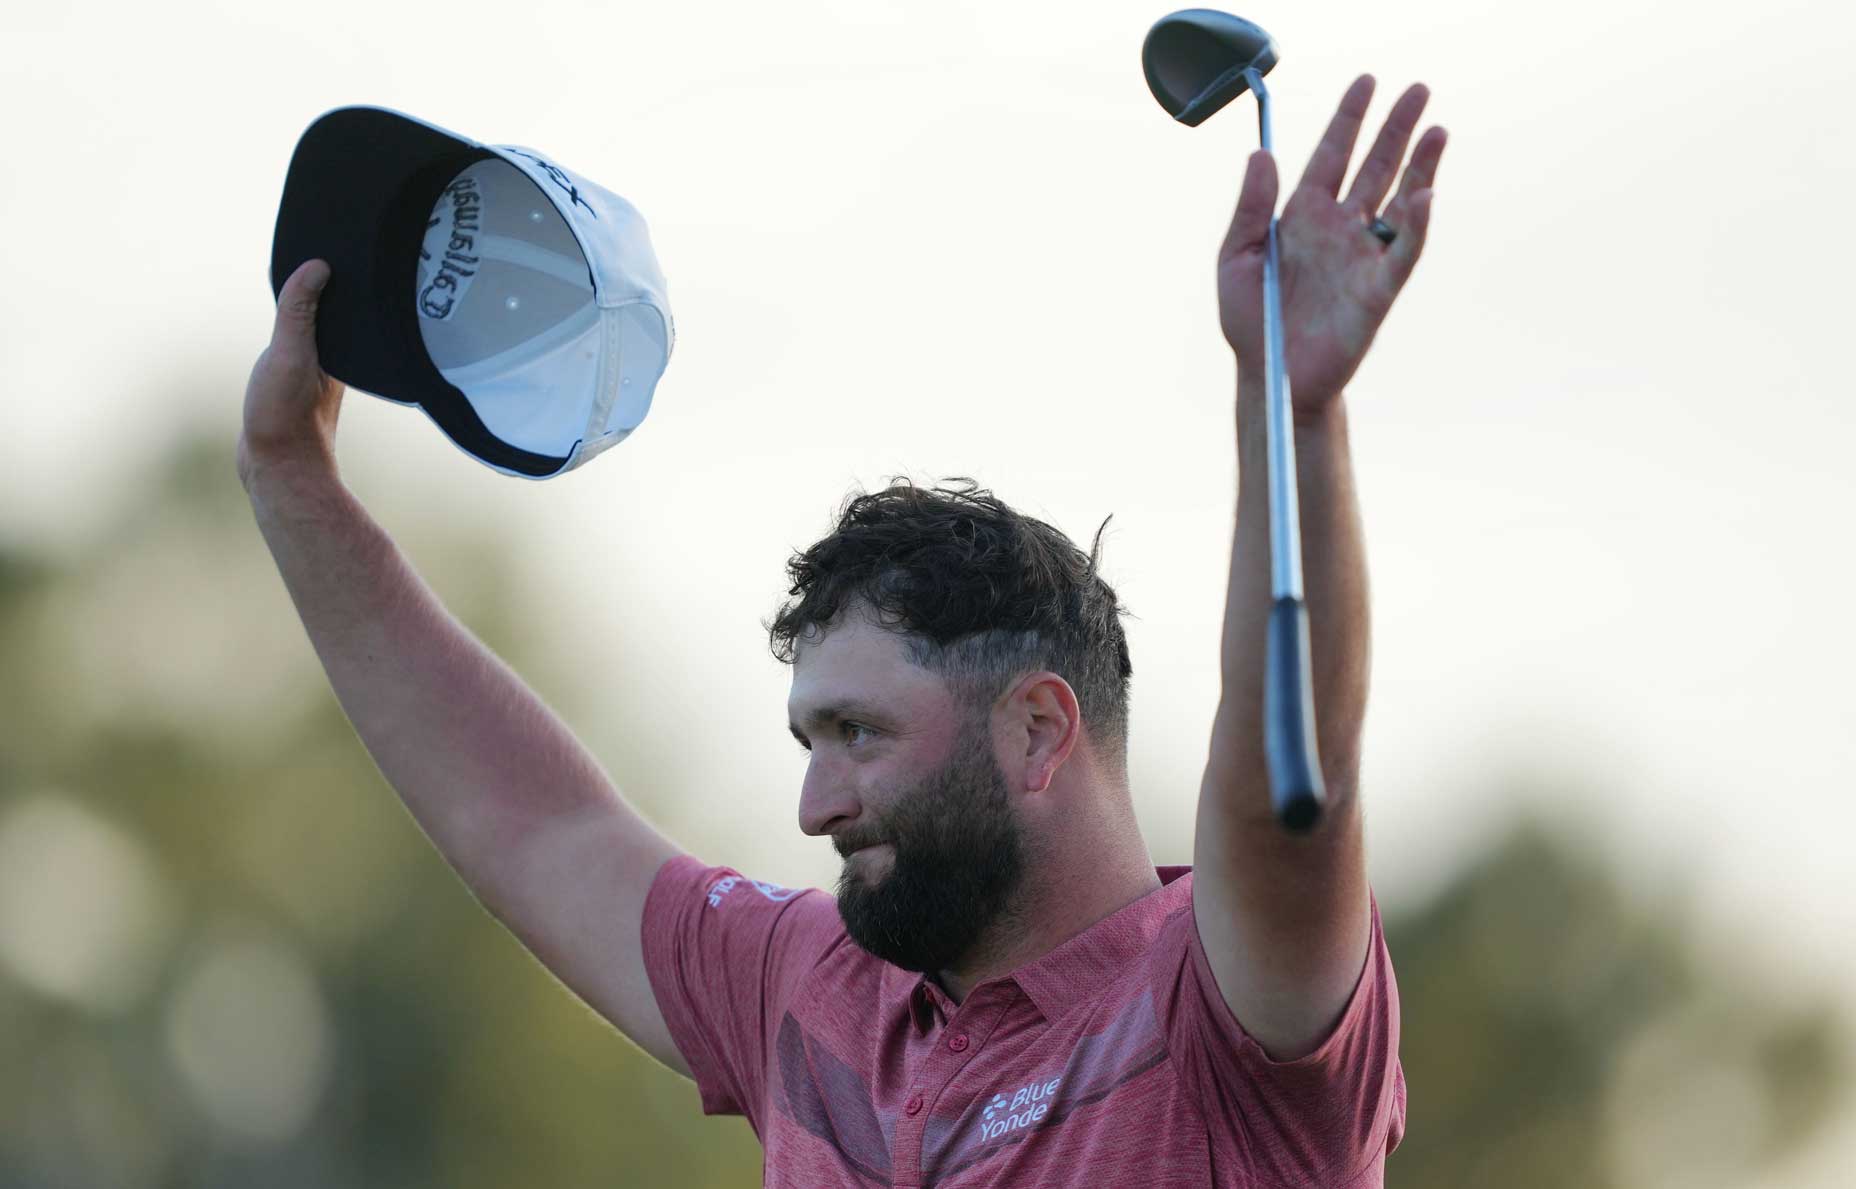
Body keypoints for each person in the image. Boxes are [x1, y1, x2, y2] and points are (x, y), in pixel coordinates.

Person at [240, 75, 1445, 1188]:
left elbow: (1296, 790)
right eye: (809, 738)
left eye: (859, 732)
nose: (812, 805)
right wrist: (292, 480)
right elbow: (532, 820)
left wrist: (1289, 414)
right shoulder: (815, 990)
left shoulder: (1224, 1008)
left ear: (1036, 729)